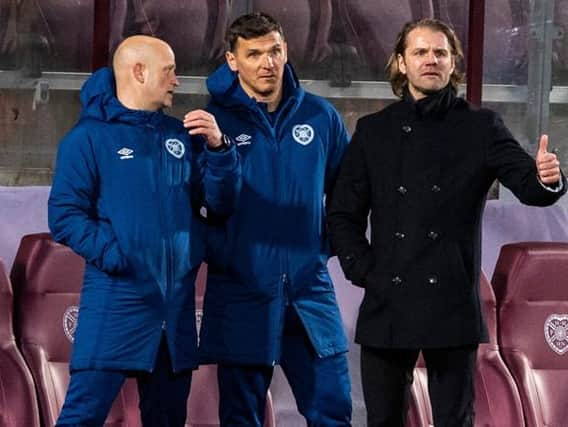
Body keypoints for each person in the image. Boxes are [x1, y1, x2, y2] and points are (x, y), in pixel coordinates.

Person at [327, 18, 566, 427]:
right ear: (401, 63)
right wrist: (365, 270)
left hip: (450, 300)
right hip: (388, 300)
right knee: (382, 420)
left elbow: (528, 187)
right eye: (420, 52)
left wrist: (548, 178)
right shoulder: (373, 132)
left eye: (440, 52)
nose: (430, 60)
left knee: (456, 420)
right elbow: (343, 212)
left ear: (453, 62)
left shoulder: (481, 127)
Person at [48, 35, 240, 426]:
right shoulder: (89, 139)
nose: (176, 81)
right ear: (138, 72)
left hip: (175, 312)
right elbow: (65, 214)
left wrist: (220, 150)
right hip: (117, 302)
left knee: (168, 419)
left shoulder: (181, 137)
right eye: (169, 71)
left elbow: (220, 204)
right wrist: (119, 255)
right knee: (81, 417)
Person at [197, 12, 352, 427]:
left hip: (309, 291)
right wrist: (226, 254)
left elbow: (350, 195)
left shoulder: (321, 117)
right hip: (241, 291)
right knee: (240, 417)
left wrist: (322, 247)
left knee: (333, 411)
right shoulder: (214, 124)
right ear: (232, 60)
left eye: (275, 51)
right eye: (254, 54)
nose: (268, 62)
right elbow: (210, 204)